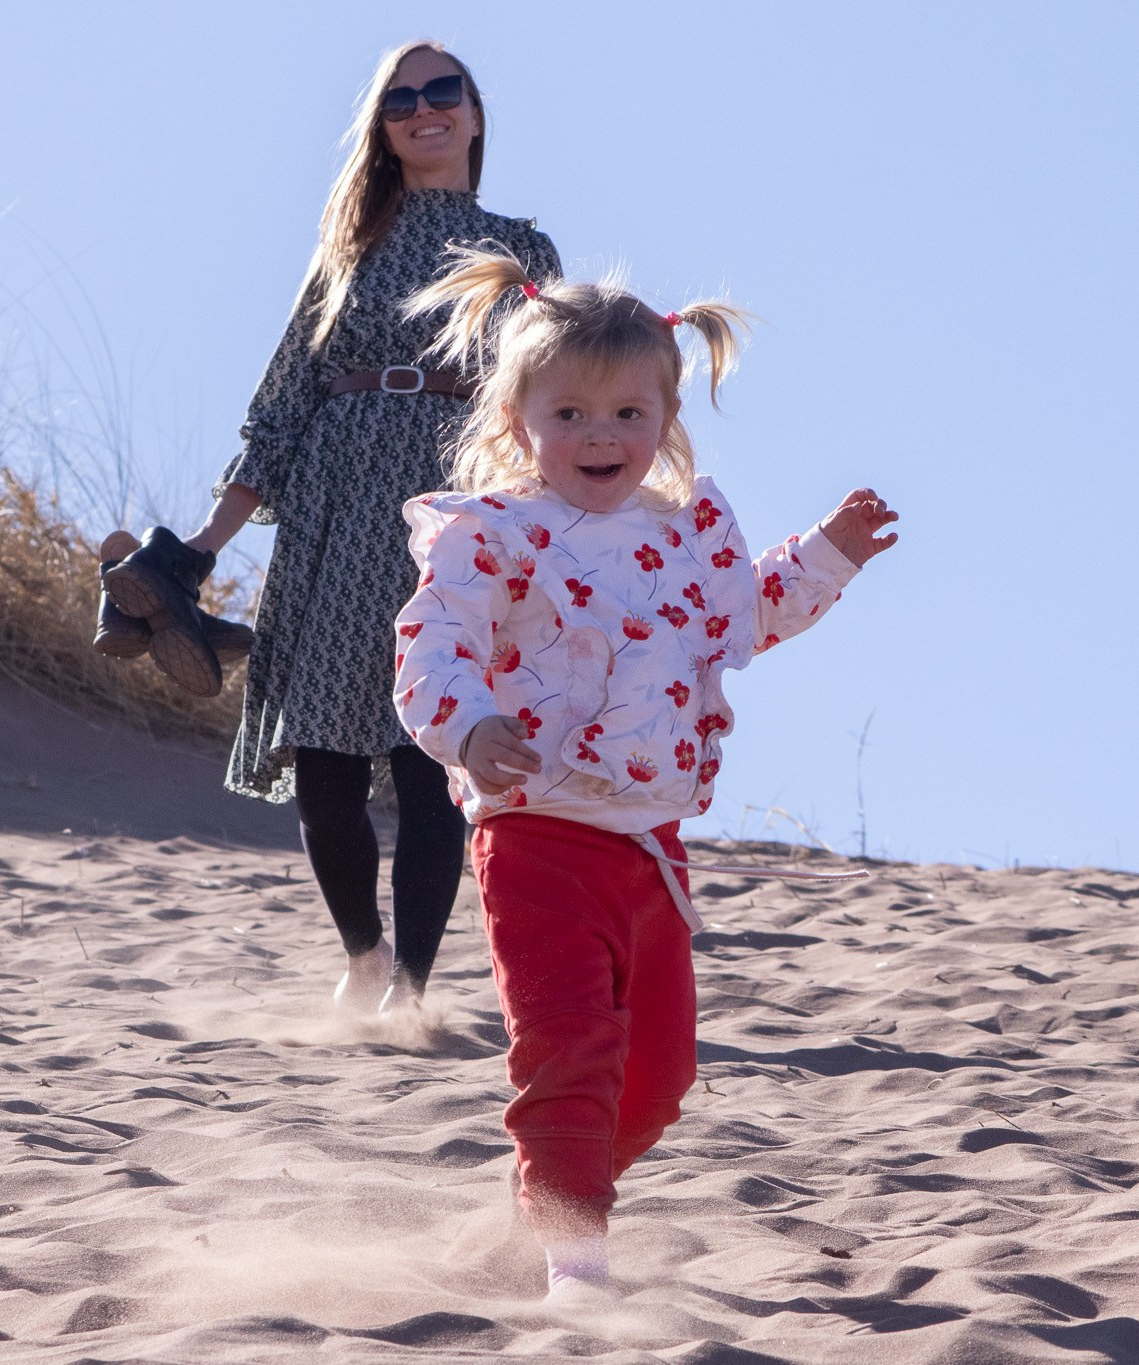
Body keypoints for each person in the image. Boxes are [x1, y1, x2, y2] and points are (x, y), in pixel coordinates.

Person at [391, 247, 899, 1302]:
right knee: (567, 1044)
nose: (599, 436)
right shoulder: (494, 535)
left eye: (628, 413)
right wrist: (470, 723)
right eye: (568, 411)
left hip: (648, 849)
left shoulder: (682, 540)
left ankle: (546, 1209)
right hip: (533, 832)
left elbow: (749, 613)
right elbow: (431, 641)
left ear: (665, 421)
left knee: (658, 1080)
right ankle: (576, 1262)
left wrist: (831, 555)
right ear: (515, 418)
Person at [99, 42, 559, 1014]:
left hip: (456, 498)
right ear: (381, 126)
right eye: (401, 98)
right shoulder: (346, 250)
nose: (422, 108)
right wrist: (199, 548)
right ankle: (362, 957)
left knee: (428, 745)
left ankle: (416, 987)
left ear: (474, 115)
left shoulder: (521, 249)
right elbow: (281, 403)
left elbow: (555, 397)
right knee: (322, 754)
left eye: (443, 92)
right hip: (333, 498)